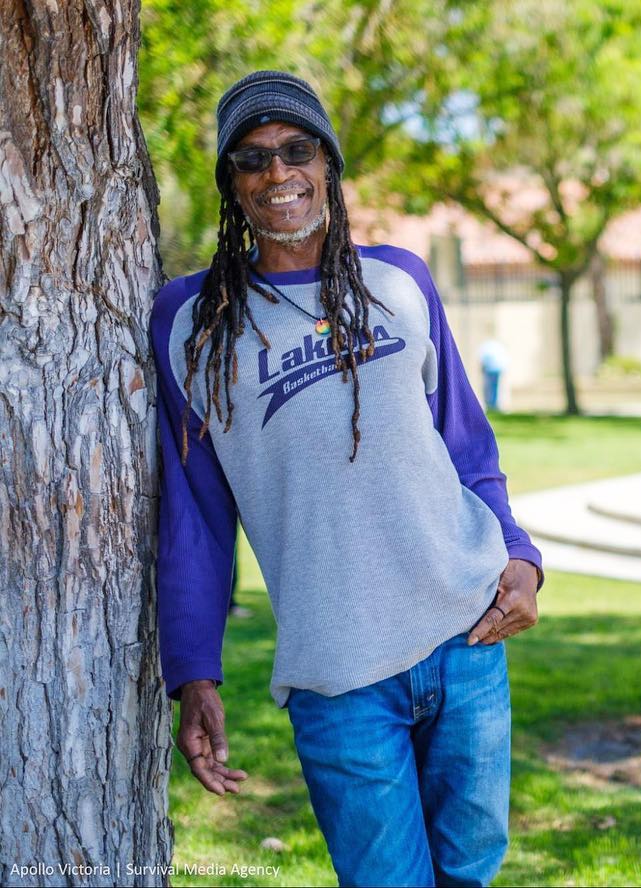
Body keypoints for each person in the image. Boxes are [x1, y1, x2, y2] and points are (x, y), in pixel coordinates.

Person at [150, 70, 542, 887]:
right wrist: (194, 673)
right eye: (252, 158)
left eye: (298, 150)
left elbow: (466, 443)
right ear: (230, 181)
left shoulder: (399, 280)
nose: (278, 172)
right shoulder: (191, 321)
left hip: (467, 636)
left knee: (472, 872)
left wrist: (519, 557)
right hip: (337, 670)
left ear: (327, 164)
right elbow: (196, 516)